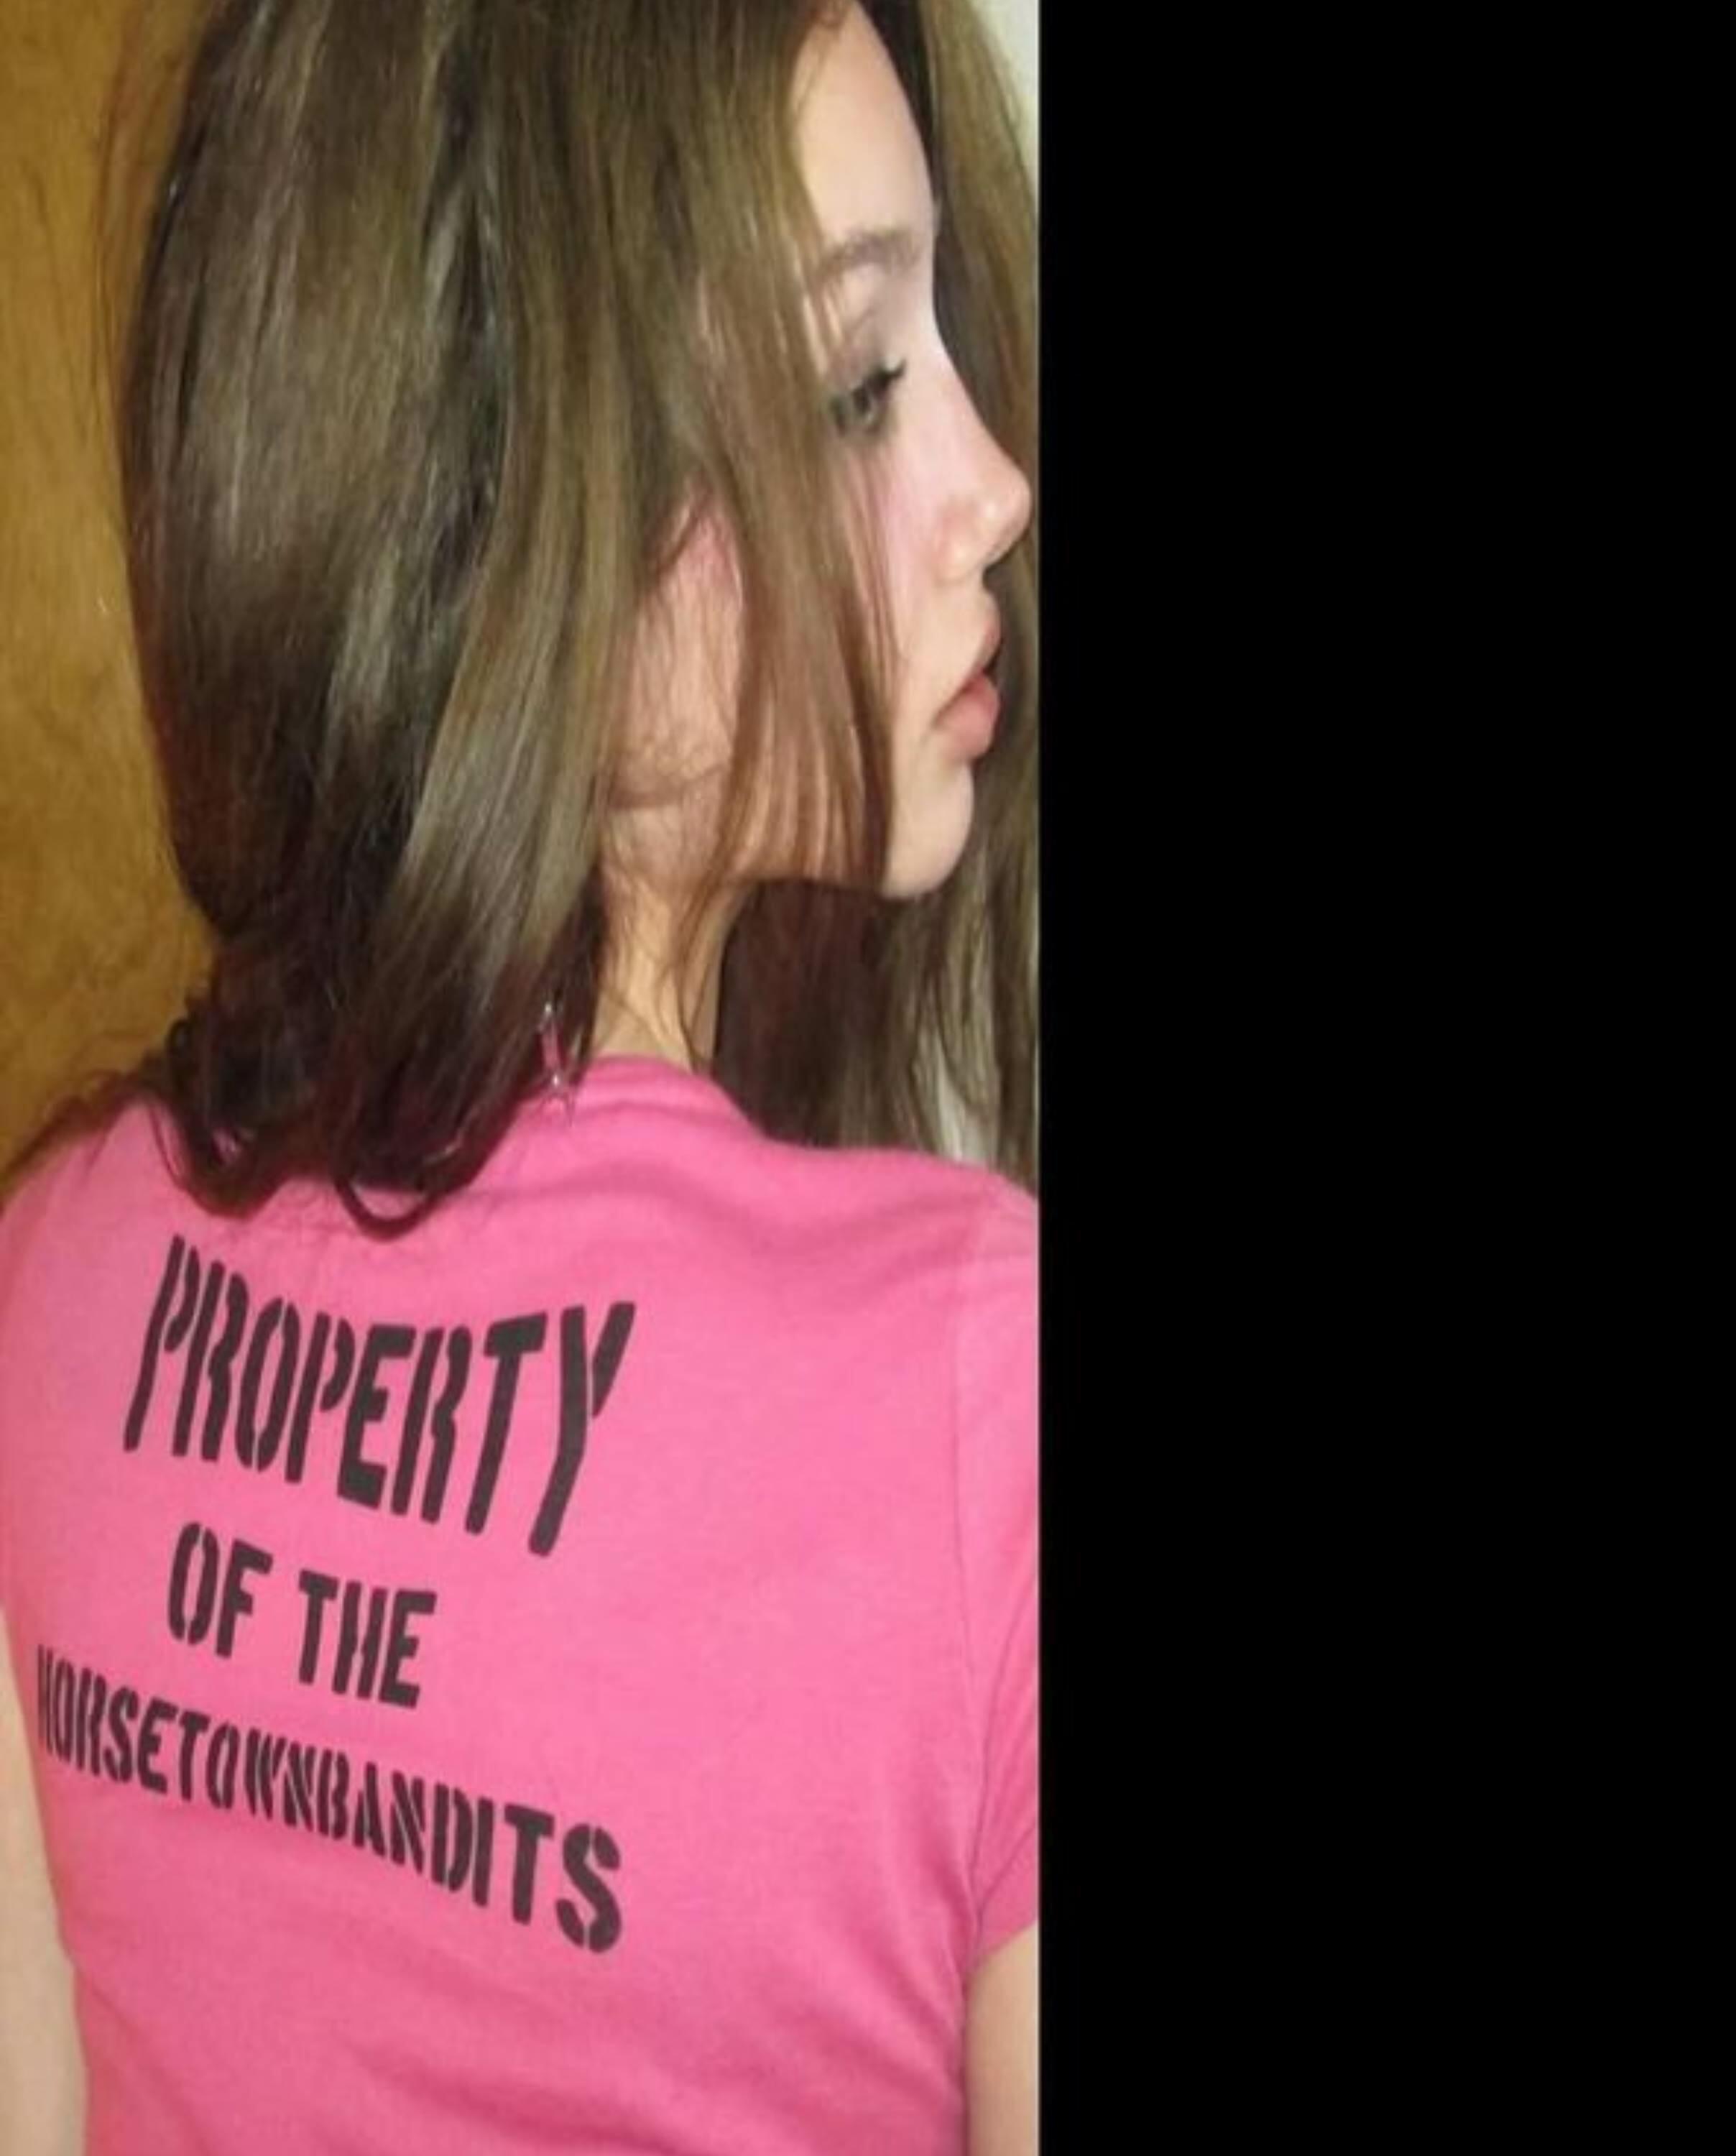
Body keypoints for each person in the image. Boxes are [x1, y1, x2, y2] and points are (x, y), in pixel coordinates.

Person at [0, 1, 1039, 2149]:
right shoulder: (985, 1399)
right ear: (511, 523)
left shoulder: (47, 1279)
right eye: (858, 388)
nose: (996, 488)